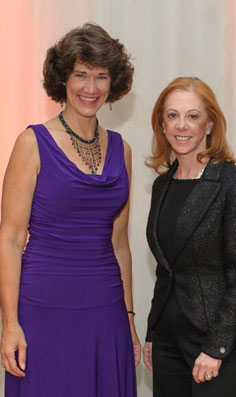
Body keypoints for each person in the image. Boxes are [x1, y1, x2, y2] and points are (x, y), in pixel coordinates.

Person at [0, 23, 138, 396]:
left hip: (106, 309)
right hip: (44, 308)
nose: (90, 88)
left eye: (101, 76)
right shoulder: (31, 142)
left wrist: (128, 317)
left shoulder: (121, 150)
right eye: (80, 75)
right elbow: (10, 240)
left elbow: (120, 243)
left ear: (114, 83)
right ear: (62, 80)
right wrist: (9, 323)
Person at [142, 77, 236, 396]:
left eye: (193, 116)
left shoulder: (235, 185)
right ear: (162, 124)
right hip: (167, 340)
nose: (182, 125)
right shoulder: (162, 185)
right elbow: (166, 270)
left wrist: (216, 348)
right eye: (172, 116)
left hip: (213, 341)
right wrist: (153, 331)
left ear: (209, 124)